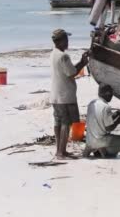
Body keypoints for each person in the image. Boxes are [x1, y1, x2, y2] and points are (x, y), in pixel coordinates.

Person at [50, 29, 89, 159]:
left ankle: (59, 150)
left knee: (58, 122)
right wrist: (83, 62)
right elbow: (72, 73)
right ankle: (61, 152)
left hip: (55, 95)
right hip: (65, 96)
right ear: (60, 41)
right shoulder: (63, 56)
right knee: (66, 123)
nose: (68, 42)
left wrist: (80, 63)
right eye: (66, 40)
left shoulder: (54, 53)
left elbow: (70, 70)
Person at [83, 84, 120, 158]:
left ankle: (98, 150)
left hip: (89, 141)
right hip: (100, 141)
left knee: (104, 136)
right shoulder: (106, 107)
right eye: (111, 93)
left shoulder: (92, 103)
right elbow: (109, 128)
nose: (112, 95)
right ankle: (106, 151)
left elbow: (104, 119)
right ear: (107, 93)